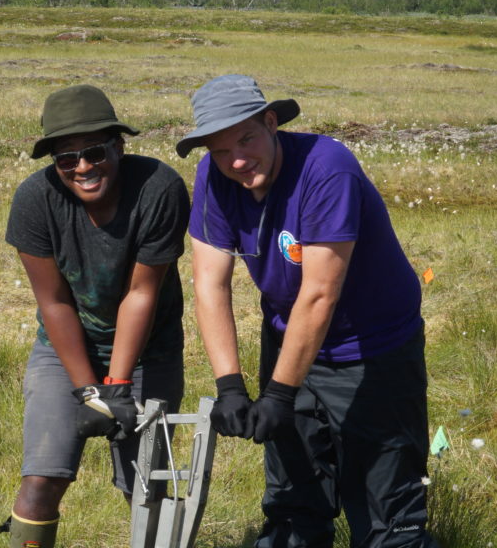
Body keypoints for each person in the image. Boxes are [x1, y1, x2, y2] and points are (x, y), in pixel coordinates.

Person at [175, 74, 440, 548]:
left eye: (247, 139)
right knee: (294, 497)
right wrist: (230, 387)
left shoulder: (326, 168)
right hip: (288, 337)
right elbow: (209, 284)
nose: (236, 160)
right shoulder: (216, 177)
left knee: (385, 504)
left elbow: (320, 294)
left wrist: (277, 395)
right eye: (219, 150)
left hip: (370, 346)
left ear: (271, 122)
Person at [0, 84, 191, 548]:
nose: (83, 167)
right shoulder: (34, 201)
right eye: (67, 159)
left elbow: (141, 292)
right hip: (65, 347)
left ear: (118, 147)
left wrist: (118, 387)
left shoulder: (159, 189)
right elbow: (55, 302)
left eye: (94, 152)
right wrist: (89, 390)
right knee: (42, 478)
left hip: (148, 350)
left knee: (145, 484)